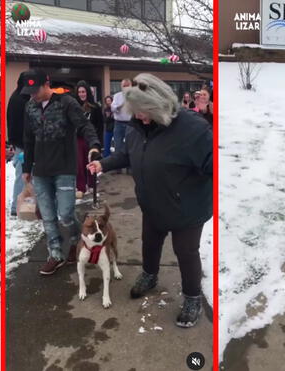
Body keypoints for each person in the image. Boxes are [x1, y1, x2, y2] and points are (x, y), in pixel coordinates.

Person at [88, 73, 213, 328]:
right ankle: (149, 275)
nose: (140, 117)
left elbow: (213, 165)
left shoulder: (193, 129)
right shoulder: (138, 127)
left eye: (145, 111)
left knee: (186, 252)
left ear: (160, 105)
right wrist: (103, 163)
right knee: (150, 242)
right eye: (136, 112)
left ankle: (192, 297)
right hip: (153, 203)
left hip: (186, 207)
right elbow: (126, 154)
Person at [21, 69, 101, 275]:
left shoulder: (66, 103)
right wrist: (26, 167)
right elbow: (28, 139)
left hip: (64, 167)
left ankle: (76, 240)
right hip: (41, 170)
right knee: (48, 216)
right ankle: (55, 254)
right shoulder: (30, 107)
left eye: (35, 90)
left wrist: (94, 145)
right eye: (28, 91)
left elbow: (84, 126)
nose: (32, 95)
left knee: (65, 214)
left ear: (46, 84)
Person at [75, 81, 103, 198]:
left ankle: (91, 184)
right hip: (78, 139)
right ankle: (81, 187)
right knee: (79, 164)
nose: (82, 94)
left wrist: (99, 143)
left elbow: (100, 125)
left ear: (87, 92)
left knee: (91, 162)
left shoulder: (95, 107)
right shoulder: (74, 106)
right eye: (79, 92)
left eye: (83, 91)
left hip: (91, 140)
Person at [8, 72, 30, 216]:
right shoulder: (22, 100)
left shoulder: (15, 97)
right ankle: (16, 208)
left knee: (23, 175)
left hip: (19, 143)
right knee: (22, 175)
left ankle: (20, 205)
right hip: (23, 145)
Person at [111, 78, 132, 159]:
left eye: (128, 86)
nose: (126, 87)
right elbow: (112, 108)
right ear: (121, 86)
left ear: (131, 86)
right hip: (119, 123)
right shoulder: (117, 96)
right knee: (118, 145)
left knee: (131, 145)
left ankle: (130, 166)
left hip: (131, 124)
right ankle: (117, 166)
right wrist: (119, 106)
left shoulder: (135, 96)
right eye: (124, 86)